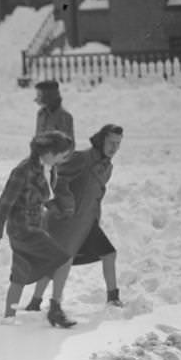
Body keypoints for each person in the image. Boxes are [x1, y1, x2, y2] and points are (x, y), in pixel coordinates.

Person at [25, 124, 125, 311]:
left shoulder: (107, 166)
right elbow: (56, 176)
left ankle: (113, 298)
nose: (114, 148)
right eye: (111, 142)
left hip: (87, 222)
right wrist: (66, 202)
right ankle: (35, 302)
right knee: (59, 261)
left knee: (109, 254)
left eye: (118, 144)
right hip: (67, 221)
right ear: (101, 140)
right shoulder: (82, 158)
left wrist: (95, 218)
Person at [0, 131, 76, 326]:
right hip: (23, 229)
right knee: (63, 260)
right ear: (49, 153)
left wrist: (57, 210)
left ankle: (8, 318)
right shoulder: (23, 170)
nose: (64, 158)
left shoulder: (49, 168)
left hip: (35, 225)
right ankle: (55, 308)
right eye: (62, 154)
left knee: (19, 274)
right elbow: (5, 203)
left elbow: (46, 196)